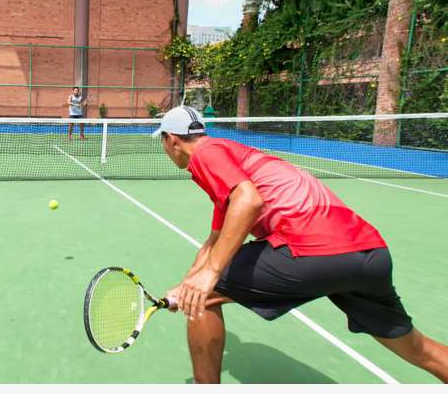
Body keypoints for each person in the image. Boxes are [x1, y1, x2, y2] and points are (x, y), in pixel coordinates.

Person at [152, 105, 448, 384]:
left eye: (162, 142)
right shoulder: (233, 159)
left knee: (202, 297)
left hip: (310, 247)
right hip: (368, 253)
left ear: (172, 140)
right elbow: (215, 240)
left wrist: (207, 277)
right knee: (417, 349)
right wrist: (186, 284)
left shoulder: (206, 154)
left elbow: (249, 201)